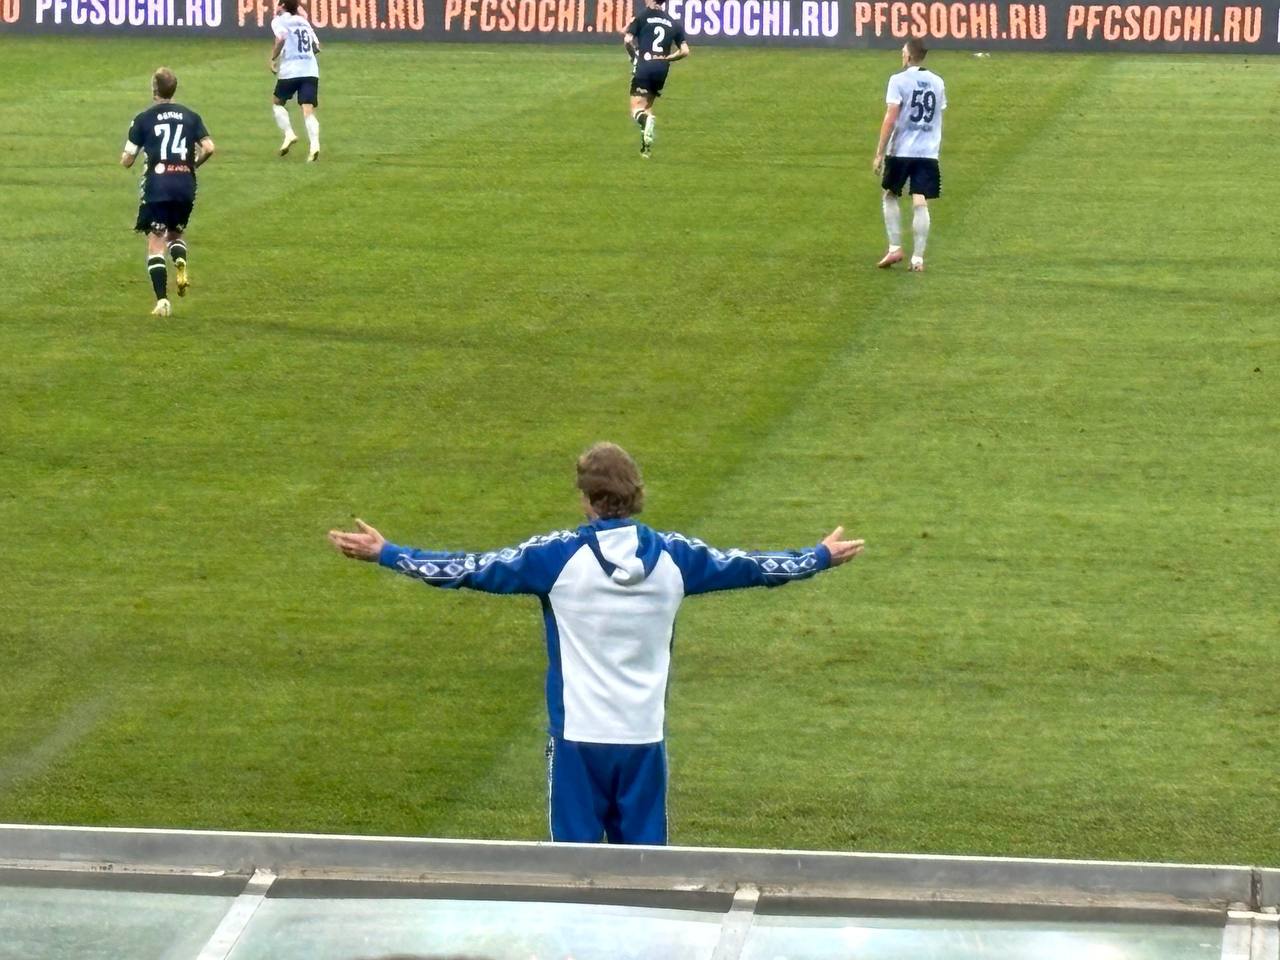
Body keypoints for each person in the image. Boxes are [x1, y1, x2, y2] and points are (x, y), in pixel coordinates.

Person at [328, 442, 864, 845]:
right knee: (647, 878)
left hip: (578, 740)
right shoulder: (677, 558)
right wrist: (817, 557)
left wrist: (387, 552)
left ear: (586, 498)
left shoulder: (555, 557)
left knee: (575, 877)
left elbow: (469, 568)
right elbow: (752, 566)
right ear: (636, 495)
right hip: (642, 738)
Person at [120, 68, 215, 318]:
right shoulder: (191, 116)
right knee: (175, 233)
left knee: (156, 241)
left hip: (157, 187)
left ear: (154, 90)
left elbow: (128, 160)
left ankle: (162, 300)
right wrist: (192, 165)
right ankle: (180, 260)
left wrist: (128, 157)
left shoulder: (143, 119)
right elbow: (209, 147)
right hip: (185, 185)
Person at [873, 38, 946, 272]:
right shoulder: (938, 82)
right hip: (928, 151)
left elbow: (891, 117)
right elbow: (937, 113)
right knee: (920, 199)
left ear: (908, 56)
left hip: (901, 150)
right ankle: (918, 259)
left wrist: (879, 152)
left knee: (890, 194)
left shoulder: (898, 80)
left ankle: (895, 247)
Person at [623, 0, 689, 158]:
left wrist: (634, 56)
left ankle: (645, 122)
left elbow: (627, 39)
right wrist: (669, 58)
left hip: (645, 65)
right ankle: (646, 148)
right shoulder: (672, 22)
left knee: (636, 108)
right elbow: (685, 51)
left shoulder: (642, 17)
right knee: (647, 105)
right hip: (661, 68)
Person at [270, 0, 321, 162]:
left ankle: (289, 133)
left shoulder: (278, 20)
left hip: (290, 71)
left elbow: (281, 38)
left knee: (277, 102)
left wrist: (273, 58)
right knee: (308, 110)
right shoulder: (304, 21)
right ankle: (314, 145)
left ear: (282, 6)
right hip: (310, 70)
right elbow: (316, 47)